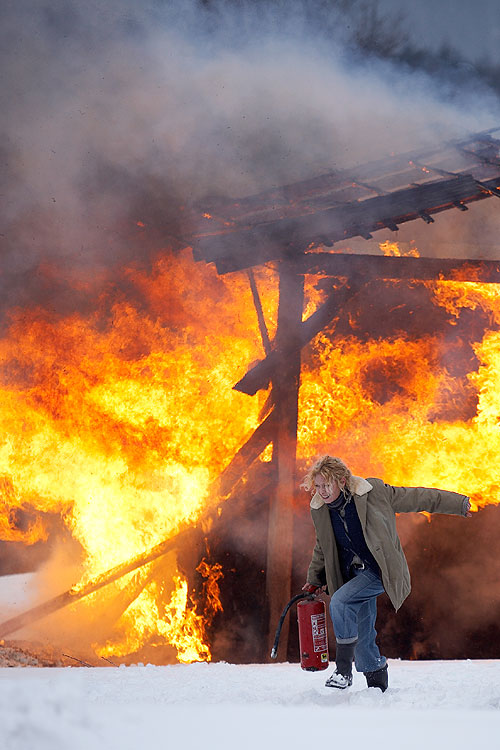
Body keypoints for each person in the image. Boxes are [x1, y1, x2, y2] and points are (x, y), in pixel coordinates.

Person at [302, 455, 472, 692]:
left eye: (326, 484)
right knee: (362, 636)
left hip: (380, 570)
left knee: (340, 601)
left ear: (342, 481)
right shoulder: (321, 510)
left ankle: (342, 671)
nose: (321, 491)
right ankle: (378, 691)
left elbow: (418, 497)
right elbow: (323, 545)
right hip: (353, 575)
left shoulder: (374, 492)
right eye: (317, 486)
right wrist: (314, 579)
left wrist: (459, 504)